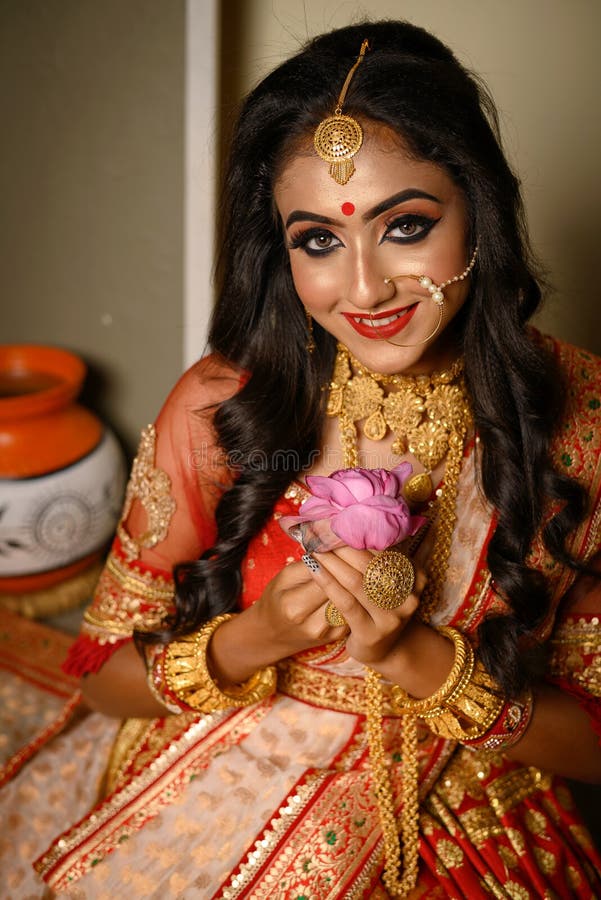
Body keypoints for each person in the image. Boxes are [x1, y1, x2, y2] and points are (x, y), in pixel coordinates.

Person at [3, 18, 601, 899]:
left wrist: (420, 665)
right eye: (317, 239)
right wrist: (256, 639)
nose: (363, 289)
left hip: (476, 803)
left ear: (478, 208)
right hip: (232, 769)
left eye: (406, 226)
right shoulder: (224, 407)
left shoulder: (579, 413)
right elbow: (104, 681)